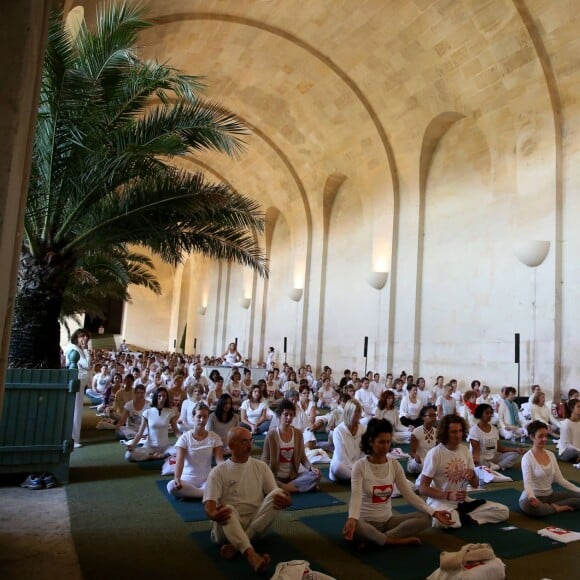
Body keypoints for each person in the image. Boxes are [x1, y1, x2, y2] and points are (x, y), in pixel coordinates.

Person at [343, 418, 453, 547]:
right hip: (365, 522)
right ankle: (392, 540)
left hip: (387, 522)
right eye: (381, 442)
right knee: (357, 527)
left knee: (426, 518)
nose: (386, 446)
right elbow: (355, 496)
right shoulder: (360, 466)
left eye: (388, 442)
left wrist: (434, 512)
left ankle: (380, 539)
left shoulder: (394, 464)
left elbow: (409, 495)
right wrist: (352, 519)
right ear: (371, 442)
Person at [203, 427, 292, 573]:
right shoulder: (218, 472)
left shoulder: (261, 467)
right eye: (244, 442)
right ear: (231, 446)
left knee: (279, 493)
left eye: (250, 441)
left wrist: (287, 501)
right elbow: (209, 506)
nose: (250, 446)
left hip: (256, 527)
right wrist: (214, 515)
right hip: (226, 530)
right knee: (227, 509)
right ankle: (250, 554)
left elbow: (274, 497)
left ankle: (238, 545)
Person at [419, 414, 510, 527]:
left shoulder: (465, 450)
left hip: (462, 501)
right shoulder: (435, 454)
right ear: (445, 433)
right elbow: (422, 488)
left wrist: (472, 475)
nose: (458, 435)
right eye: (453, 432)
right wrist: (447, 495)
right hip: (440, 501)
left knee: (503, 511)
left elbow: (476, 484)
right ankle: (458, 517)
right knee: (441, 522)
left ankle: (463, 517)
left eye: (460, 431)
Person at [519, 420, 580, 516]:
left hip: (550, 495)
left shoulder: (551, 455)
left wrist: (578, 489)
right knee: (530, 506)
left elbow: (560, 479)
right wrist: (531, 497)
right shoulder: (527, 458)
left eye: (546, 436)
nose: (544, 439)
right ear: (531, 437)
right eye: (540, 436)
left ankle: (553, 506)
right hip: (532, 498)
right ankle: (554, 507)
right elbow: (528, 483)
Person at [261, 399, 321, 493]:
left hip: (293, 477)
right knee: (263, 480)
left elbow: (303, 458)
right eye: (286, 414)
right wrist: (268, 477)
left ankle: (285, 488)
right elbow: (265, 460)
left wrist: (311, 467)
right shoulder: (271, 435)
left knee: (315, 475)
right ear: (280, 415)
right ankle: (295, 488)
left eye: (291, 415)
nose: (289, 417)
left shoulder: (297, 434)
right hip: (276, 477)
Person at [167, 402, 224, 499]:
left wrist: (226, 472)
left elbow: (219, 460)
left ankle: (194, 494)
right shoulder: (184, 438)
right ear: (193, 417)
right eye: (199, 416)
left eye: (205, 417)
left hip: (206, 479)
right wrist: (177, 478)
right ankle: (205, 494)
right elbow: (179, 462)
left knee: (222, 484)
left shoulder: (214, 437)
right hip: (187, 479)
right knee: (171, 486)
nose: (202, 420)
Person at [125, 387, 178, 461]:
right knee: (128, 455)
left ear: (167, 398)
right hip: (150, 446)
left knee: (181, 450)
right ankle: (153, 456)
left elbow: (176, 432)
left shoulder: (170, 412)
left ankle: (162, 455)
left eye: (164, 396)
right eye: (159, 396)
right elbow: (140, 433)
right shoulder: (147, 412)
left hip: (165, 447)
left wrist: (185, 442)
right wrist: (132, 445)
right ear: (156, 397)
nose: (162, 398)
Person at [468, 404, 524, 470]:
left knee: (515, 454)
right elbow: (475, 451)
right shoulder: (474, 430)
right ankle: (494, 466)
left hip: (493, 457)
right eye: (487, 413)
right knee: (479, 461)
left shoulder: (494, 429)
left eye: (491, 413)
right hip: (481, 459)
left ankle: (497, 466)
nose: (490, 415)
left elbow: (500, 448)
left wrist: (515, 449)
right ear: (480, 414)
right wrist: (475, 462)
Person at [66, 328, 92, 448]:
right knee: (75, 411)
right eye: (82, 336)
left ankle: (74, 438)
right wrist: (86, 350)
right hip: (76, 383)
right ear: (76, 337)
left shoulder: (78, 349)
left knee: (77, 411)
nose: (85, 339)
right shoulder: (74, 348)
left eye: (86, 337)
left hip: (79, 384)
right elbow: (87, 365)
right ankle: (73, 439)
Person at [329, 399, 365, 482]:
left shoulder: (363, 429)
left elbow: (364, 452)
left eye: (359, 412)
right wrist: (355, 468)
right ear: (349, 412)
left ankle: (359, 478)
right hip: (343, 466)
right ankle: (362, 479)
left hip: (358, 465)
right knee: (337, 467)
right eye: (355, 411)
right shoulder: (338, 430)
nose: (358, 414)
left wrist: (362, 465)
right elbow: (341, 457)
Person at [407, 405, 437, 475]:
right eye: (430, 416)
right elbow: (412, 452)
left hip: (430, 461)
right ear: (423, 417)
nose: (434, 418)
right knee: (423, 465)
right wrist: (416, 457)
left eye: (434, 415)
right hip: (418, 462)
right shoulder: (416, 432)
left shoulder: (437, 431)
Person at [557, 398, 580, 463]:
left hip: (578, 450)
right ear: (572, 409)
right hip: (567, 452)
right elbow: (566, 445)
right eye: (578, 406)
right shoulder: (566, 424)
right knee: (572, 451)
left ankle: (577, 459)